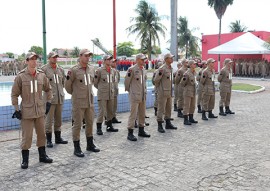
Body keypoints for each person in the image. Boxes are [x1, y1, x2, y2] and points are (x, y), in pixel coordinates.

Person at [11, 52, 53, 169]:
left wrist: (48, 102)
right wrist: (16, 110)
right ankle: (25, 160)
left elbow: (48, 89)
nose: (34, 61)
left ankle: (42, 156)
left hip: (40, 111)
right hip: (27, 113)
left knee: (41, 135)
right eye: (32, 59)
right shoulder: (20, 76)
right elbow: (14, 94)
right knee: (27, 137)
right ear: (27, 61)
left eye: (36, 59)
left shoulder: (41, 75)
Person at [65, 49, 100, 157]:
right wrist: (76, 94)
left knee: (89, 122)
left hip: (89, 101)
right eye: (86, 56)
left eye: (89, 56)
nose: (88, 57)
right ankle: (77, 147)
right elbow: (67, 86)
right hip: (78, 102)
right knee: (77, 125)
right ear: (80, 56)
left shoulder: (91, 69)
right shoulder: (73, 70)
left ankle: (90, 144)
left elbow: (92, 83)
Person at [41, 51, 68, 148]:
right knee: (48, 120)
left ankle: (58, 138)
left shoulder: (60, 69)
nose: (55, 59)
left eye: (56, 57)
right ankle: (48, 140)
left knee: (58, 119)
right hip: (49, 99)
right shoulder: (44, 69)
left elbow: (64, 83)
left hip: (60, 97)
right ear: (49, 58)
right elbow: (41, 84)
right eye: (53, 57)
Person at [124, 53, 150, 141]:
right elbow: (127, 82)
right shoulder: (131, 70)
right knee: (133, 114)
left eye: (144, 59)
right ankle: (130, 133)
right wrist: (131, 92)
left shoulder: (143, 69)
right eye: (142, 59)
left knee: (142, 113)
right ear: (137, 60)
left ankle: (141, 130)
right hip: (135, 95)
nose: (144, 61)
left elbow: (144, 82)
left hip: (142, 95)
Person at [94, 55, 118, 135]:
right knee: (102, 111)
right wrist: (102, 89)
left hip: (110, 94)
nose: (110, 61)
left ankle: (109, 126)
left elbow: (113, 82)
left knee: (110, 111)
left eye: (111, 59)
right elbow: (95, 83)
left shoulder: (113, 71)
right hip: (102, 94)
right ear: (104, 61)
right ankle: (99, 128)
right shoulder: (99, 70)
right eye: (108, 59)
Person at [154, 53, 177, 133]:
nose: (172, 59)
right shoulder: (162, 69)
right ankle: (160, 125)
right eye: (171, 58)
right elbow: (156, 80)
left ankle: (168, 123)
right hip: (163, 92)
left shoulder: (170, 68)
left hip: (169, 92)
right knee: (161, 109)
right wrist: (160, 89)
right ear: (166, 59)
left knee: (168, 108)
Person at [181, 60, 198, 125]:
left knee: (192, 105)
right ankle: (185, 119)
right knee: (187, 105)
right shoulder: (186, 73)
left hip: (193, 90)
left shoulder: (194, 72)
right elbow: (182, 83)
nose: (195, 65)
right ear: (190, 65)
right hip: (188, 90)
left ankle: (191, 118)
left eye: (195, 64)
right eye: (194, 64)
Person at [111, 58, 122, 123]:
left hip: (115, 90)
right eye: (113, 62)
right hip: (110, 91)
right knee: (109, 107)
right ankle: (108, 119)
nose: (115, 63)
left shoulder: (117, 71)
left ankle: (114, 117)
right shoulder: (109, 71)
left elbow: (118, 80)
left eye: (115, 62)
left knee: (115, 105)